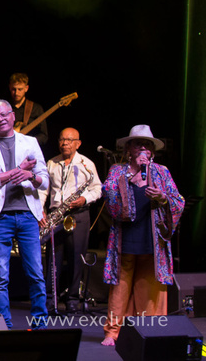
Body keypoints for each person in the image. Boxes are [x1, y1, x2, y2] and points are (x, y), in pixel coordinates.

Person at [101, 125, 184, 346]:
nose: (143, 148)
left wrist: (163, 197)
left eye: (147, 144)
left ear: (153, 151)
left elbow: (178, 201)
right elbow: (108, 196)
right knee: (120, 288)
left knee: (150, 289)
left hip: (151, 240)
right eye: (138, 144)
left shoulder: (161, 172)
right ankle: (113, 332)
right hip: (125, 238)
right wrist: (131, 174)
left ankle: (151, 332)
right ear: (129, 148)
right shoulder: (118, 171)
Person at [0, 99, 48, 329]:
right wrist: (18, 170)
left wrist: (31, 176)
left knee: (35, 273)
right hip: (0, 217)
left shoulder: (30, 142)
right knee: (0, 276)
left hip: (27, 216)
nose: (1, 119)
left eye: (4, 114)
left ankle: (39, 325)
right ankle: (3, 326)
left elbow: (44, 180)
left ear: (13, 116)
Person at [39, 128, 103, 315]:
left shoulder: (87, 163)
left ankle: (73, 299)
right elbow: (43, 189)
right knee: (53, 259)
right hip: (56, 214)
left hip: (79, 214)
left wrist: (84, 199)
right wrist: (41, 210)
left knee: (77, 258)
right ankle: (51, 299)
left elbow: (97, 188)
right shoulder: (51, 162)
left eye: (69, 140)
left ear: (78, 143)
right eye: (61, 139)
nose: (64, 143)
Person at [8, 73, 48, 145]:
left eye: (20, 89)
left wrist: (27, 142)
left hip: (27, 152)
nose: (16, 93)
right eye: (14, 89)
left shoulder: (36, 109)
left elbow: (43, 136)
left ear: (26, 88)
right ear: (9, 87)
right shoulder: (3, 108)